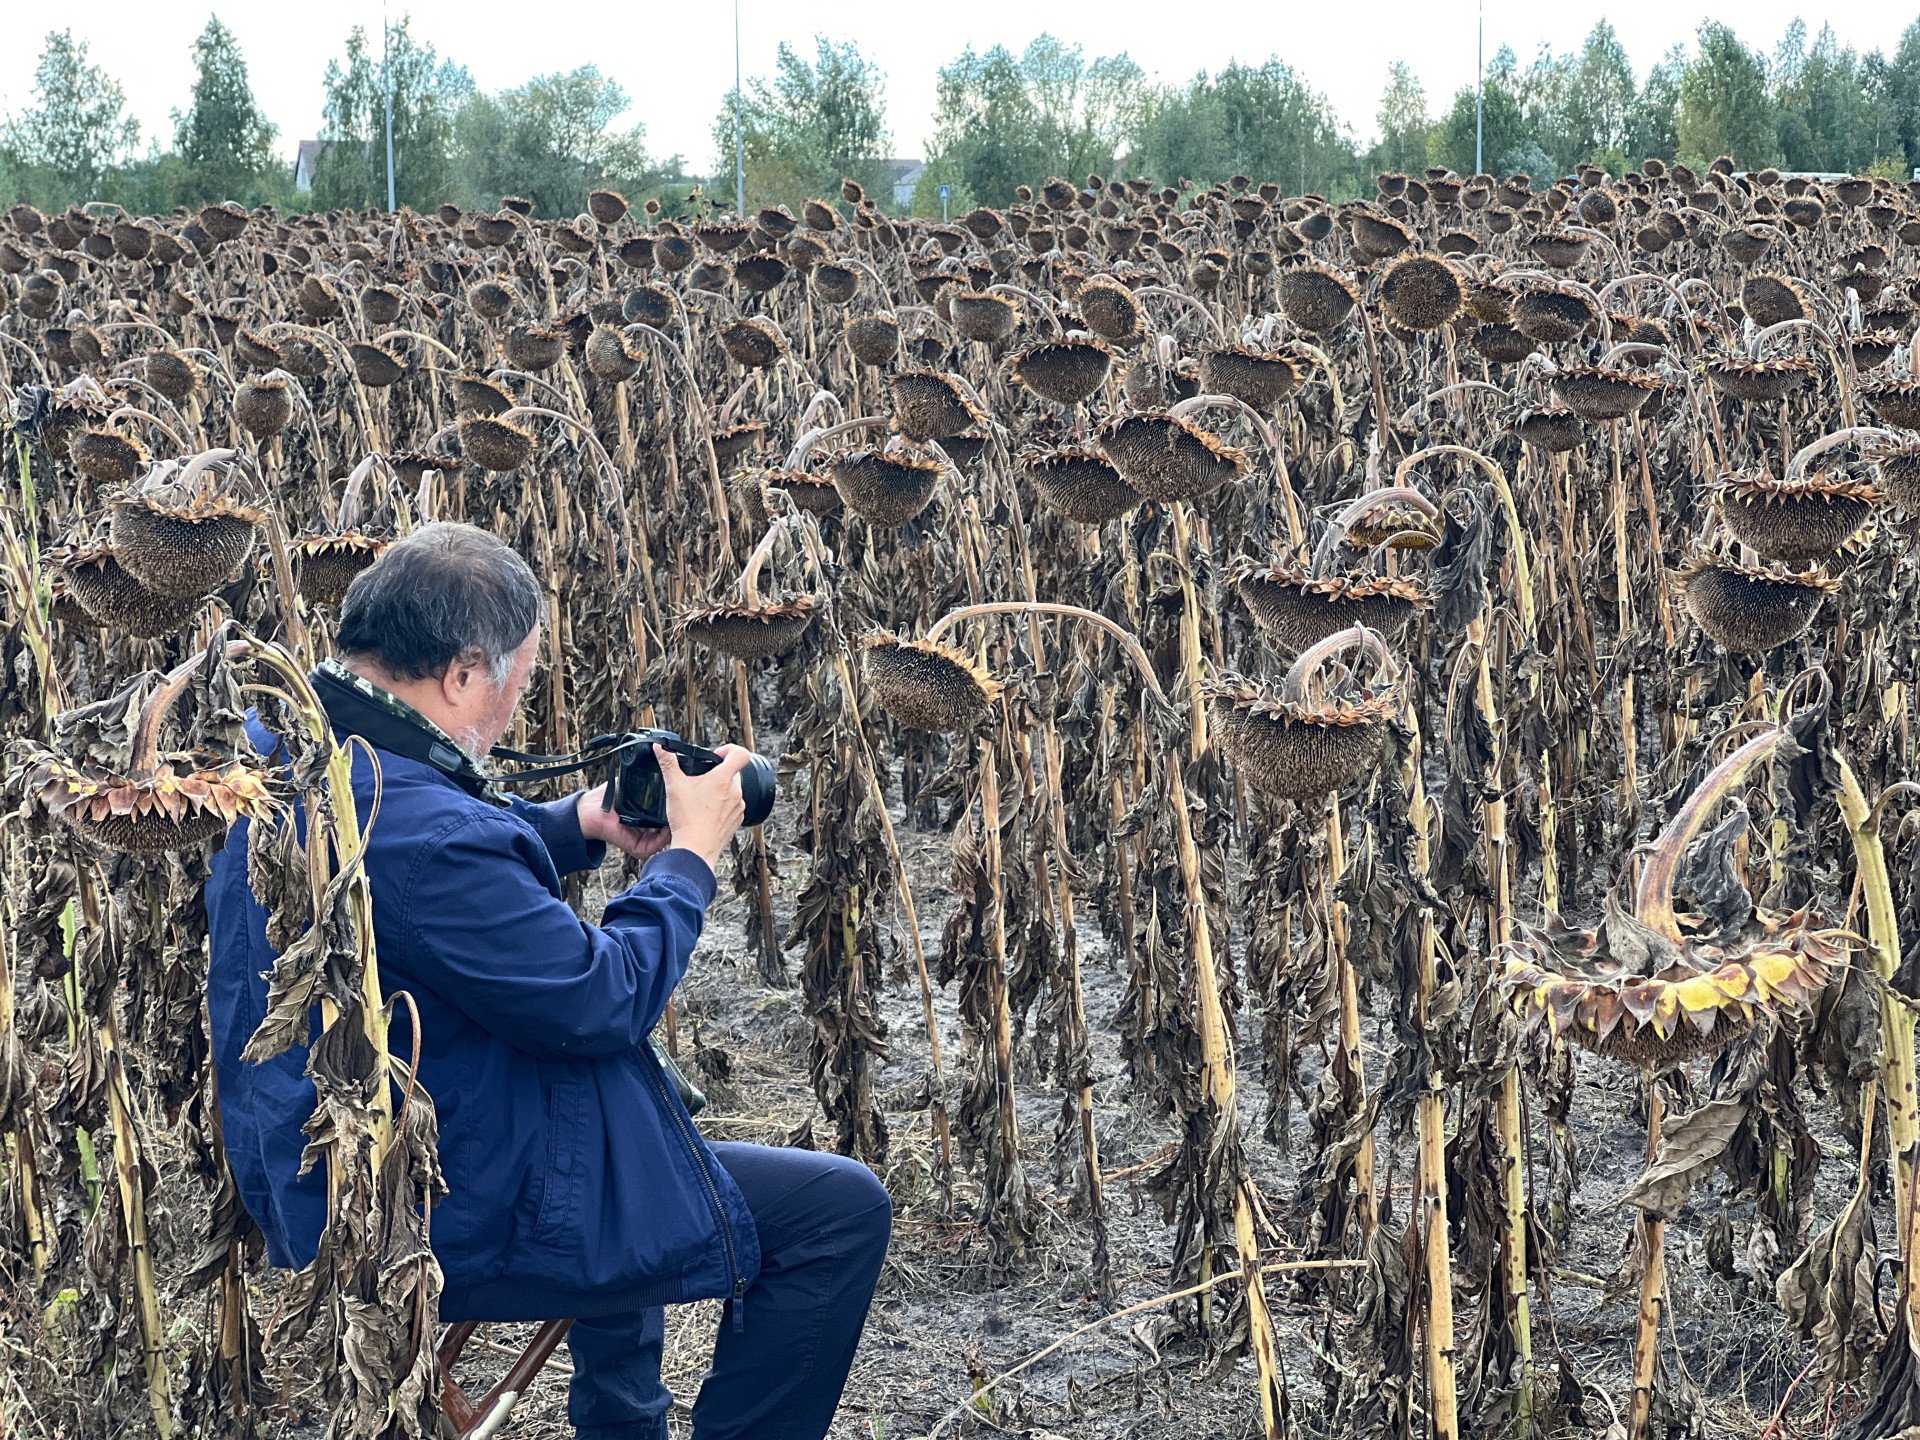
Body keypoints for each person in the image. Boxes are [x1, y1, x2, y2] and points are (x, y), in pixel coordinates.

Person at [206, 521, 891, 1440]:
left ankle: (625, 1420)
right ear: (459, 675)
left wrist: (582, 820)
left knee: (629, 1131)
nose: (516, 708)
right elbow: (604, 998)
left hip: (307, 1165)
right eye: (517, 680)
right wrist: (688, 859)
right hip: (416, 1215)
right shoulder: (436, 839)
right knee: (835, 1211)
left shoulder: (285, 751)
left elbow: (423, 861)